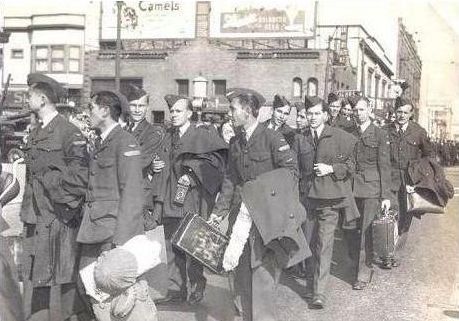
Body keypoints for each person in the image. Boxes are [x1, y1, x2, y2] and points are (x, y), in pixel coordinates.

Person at [209, 88, 307, 321]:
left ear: (249, 110)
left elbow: (291, 172)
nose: (229, 113)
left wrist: (261, 193)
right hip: (240, 220)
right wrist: (218, 212)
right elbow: (231, 179)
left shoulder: (272, 138)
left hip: (266, 221)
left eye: (232, 109)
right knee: (241, 275)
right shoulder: (235, 141)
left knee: (263, 276)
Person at [20, 73, 90, 321]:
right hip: (35, 215)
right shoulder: (38, 131)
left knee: (63, 276)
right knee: (34, 273)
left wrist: (52, 188)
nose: (26, 100)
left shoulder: (68, 132)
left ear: (41, 99)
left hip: (58, 217)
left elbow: (81, 178)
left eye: (29, 96)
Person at [77, 90, 145, 317]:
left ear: (105, 111)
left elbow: (132, 193)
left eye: (91, 108)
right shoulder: (101, 141)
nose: (89, 113)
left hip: (111, 232)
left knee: (109, 294)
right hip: (94, 228)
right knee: (89, 288)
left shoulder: (125, 141)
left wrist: (122, 241)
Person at [155, 94, 227, 305]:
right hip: (170, 197)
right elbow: (159, 157)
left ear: (189, 113)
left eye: (178, 111)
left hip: (191, 198)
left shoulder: (202, 134)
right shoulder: (167, 135)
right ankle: (176, 288)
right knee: (170, 244)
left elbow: (216, 161)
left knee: (192, 244)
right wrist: (154, 165)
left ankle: (197, 285)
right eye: (172, 111)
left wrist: (193, 173)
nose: (174, 115)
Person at [303, 96, 358, 309]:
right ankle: (310, 285)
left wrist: (332, 168)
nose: (313, 117)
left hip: (329, 199)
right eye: (310, 113)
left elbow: (352, 165)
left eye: (317, 113)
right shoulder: (301, 138)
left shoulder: (340, 136)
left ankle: (319, 292)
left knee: (324, 245)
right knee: (307, 242)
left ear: (326, 115)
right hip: (306, 198)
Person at [349, 97, 391, 286]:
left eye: (361, 110)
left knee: (366, 232)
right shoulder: (350, 132)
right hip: (351, 189)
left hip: (371, 190)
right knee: (350, 231)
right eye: (355, 110)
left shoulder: (380, 134)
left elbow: (384, 166)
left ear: (370, 109)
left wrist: (386, 195)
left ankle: (363, 274)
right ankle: (355, 265)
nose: (358, 113)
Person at [387, 98, 432, 259]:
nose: (402, 115)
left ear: (411, 113)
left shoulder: (419, 132)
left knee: (406, 216)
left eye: (405, 112)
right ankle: (388, 249)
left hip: (409, 181)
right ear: (394, 112)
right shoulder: (386, 130)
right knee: (391, 213)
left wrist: (419, 180)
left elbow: (428, 157)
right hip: (390, 179)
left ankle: (396, 252)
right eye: (399, 112)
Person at [125, 84, 165, 230]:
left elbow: (140, 162)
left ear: (147, 107)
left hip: (139, 196)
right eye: (133, 105)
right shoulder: (124, 130)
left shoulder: (152, 132)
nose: (137, 110)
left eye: (141, 106)